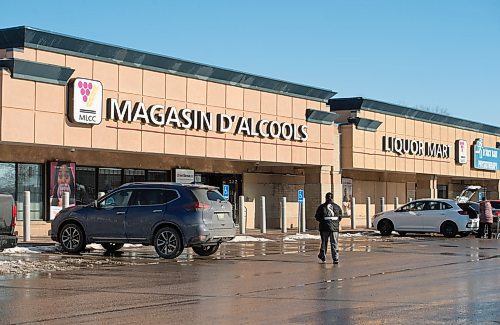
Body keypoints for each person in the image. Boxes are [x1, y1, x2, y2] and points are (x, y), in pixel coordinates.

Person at [315, 192, 342, 264]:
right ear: (332, 198)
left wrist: (323, 221)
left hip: (324, 227)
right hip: (335, 228)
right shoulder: (337, 207)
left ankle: (323, 256)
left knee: (324, 242)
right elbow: (340, 217)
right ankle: (335, 258)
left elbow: (317, 217)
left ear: (326, 198)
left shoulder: (321, 207)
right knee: (334, 243)